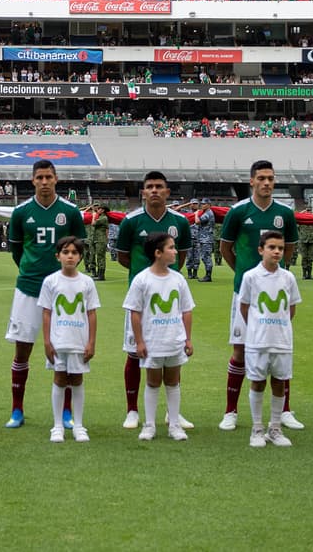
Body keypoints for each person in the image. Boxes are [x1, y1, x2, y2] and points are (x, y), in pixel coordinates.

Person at [218, 161, 300, 432]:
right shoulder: (238, 211)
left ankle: (285, 410)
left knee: (279, 349)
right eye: (262, 178)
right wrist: (245, 274)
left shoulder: (285, 213)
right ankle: (231, 410)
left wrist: (276, 274)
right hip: (245, 292)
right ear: (251, 181)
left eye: (271, 178)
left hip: (276, 295)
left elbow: (288, 249)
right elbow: (226, 248)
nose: (267, 183)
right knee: (240, 351)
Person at [4, 159, 87, 429]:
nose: (44, 182)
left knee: (64, 351)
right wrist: (32, 270)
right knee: (22, 351)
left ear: (56, 179)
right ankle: (17, 410)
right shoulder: (20, 212)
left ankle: (66, 412)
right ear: (32, 180)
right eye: (39, 177)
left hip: (62, 290)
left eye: (48, 177)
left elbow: (78, 250)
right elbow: (17, 251)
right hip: (28, 287)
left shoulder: (70, 212)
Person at [115, 171, 192, 431]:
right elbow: (123, 256)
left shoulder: (180, 222)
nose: (155, 190)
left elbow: (180, 257)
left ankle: (173, 414)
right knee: (134, 353)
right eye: (150, 187)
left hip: (169, 298)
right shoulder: (130, 221)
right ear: (143, 193)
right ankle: (132, 410)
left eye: (160, 186)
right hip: (141, 298)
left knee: (173, 352)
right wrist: (145, 276)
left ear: (168, 192)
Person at [125, 233, 195, 441]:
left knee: (173, 382)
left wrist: (188, 339)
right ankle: (149, 425)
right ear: (158, 253)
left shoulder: (178, 279)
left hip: (174, 339)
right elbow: (135, 312)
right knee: (153, 382)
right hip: (153, 341)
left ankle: (174, 425)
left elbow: (187, 310)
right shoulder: (142, 280)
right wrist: (139, 341)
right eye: (171, 248)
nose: (175, 251)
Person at [237, 230, 301, 448]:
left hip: (282, 339)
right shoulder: (250, 277)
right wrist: (258, 326)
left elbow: (291, 309)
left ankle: (275, 428)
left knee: (279, 382)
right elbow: (244, 307)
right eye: (272, 247)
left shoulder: (288, 277)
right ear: (260, 250)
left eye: (280, 248)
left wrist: (279, 325)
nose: (276, 252)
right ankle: (257, 428)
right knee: (257, 381)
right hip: (258, 340)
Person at [39, 236, 99, 443]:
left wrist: (91, 342)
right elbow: (46, 313)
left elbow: (91, 313)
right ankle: (57, 426)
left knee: (77, 380)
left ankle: (79, 425)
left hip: (79, 340)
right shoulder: (51, 281)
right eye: (66, 252)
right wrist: (47, 342)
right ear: (58, 256)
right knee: (59, 378)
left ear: (80, 257)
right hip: (58, 341)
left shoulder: (87, 282)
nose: (70, 256)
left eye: (74, 253)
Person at [185, 201, 215, 281]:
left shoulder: (207, 213)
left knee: (206, 257)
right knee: (204, 257)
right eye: (201, 204)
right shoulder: (207, 213)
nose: (202, 205)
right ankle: (207, 276)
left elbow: (197, 222)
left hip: (206, 239)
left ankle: (208, 276)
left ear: (209, 205)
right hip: (203, 238)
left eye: (204, 204)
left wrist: (196, 215)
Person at [86, 204, 109, 281]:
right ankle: (96, 274)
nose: (97, 210)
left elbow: (93, 223)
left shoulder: (104, 218)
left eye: (99, 209)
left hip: (100, 240)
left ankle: (101, 275)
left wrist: (94, 215)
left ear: (103, 210)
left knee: (100, 257)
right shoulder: (99, 217)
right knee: (94, 256)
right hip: (95, 239)